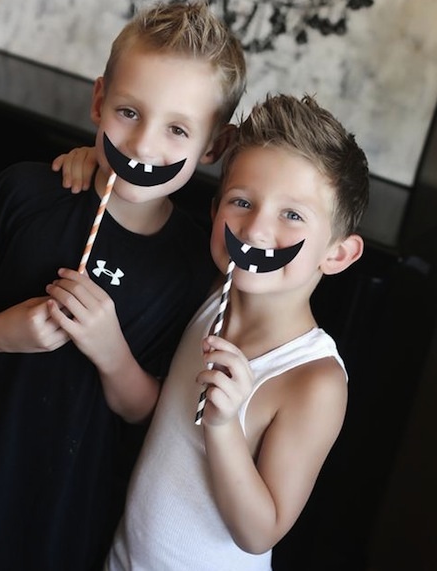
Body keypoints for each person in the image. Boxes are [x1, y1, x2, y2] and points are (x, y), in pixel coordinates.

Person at [0, 1, 247, 571]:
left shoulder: (193, 264)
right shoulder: (27, 193)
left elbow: (149, 412)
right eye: (129, 112)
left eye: (178, 128)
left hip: (63, 521)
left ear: (213, 147)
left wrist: (111, 352)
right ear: (99, 100)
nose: (143, 144)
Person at [101, 92, 370, 570]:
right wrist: (93, 165)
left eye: (292, 215)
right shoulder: (210, 297)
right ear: (214, 212)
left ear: (338, 254)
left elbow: (259, 531)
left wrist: (224, 427)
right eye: (242, 201)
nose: (255, 230)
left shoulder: (314, 381)